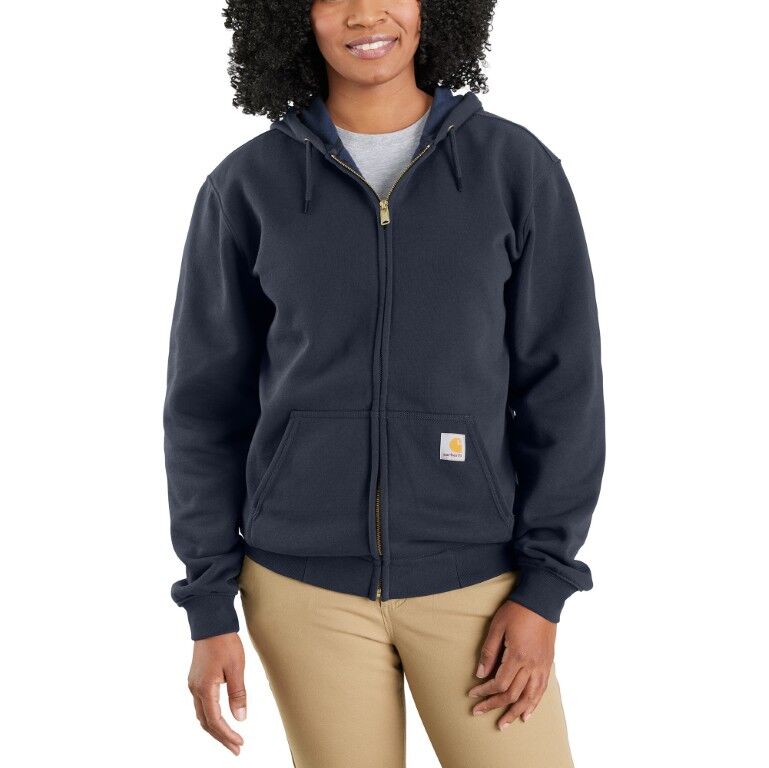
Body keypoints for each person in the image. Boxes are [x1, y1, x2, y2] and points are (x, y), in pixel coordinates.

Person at [163, 1, 605, 766]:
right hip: (301, 594)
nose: (366, 13)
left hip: (480, 584)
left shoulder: (514, 168)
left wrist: (543, 588)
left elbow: (563, 391)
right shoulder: (247, 186)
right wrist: (208, 606)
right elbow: (203, 409)